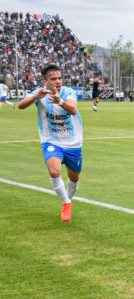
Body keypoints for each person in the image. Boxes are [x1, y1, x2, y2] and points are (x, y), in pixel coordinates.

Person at [18, 64, 83, 222]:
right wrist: (35, 97)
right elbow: (20, 105)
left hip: (73, 143)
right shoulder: (39, 93)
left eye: (59, 78)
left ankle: (67, 199)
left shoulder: (68, 92)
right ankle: (66, 203)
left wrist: (59, 101)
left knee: (74, 179)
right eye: (53, 79)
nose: (58, 81)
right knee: (54, 171)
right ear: (45, 81)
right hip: (51, 140)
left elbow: (73, 109)